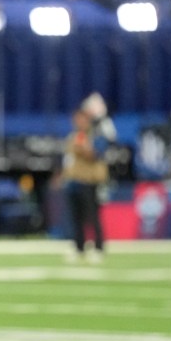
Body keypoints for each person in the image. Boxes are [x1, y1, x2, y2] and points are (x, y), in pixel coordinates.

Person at [64, 107, 108, 262]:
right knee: (76, 217)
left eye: (81, 119)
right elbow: (68, 158)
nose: (78, 122)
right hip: (73, 181)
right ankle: (79, 247)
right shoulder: (73, 136)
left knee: (93, 216)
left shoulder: (95, 136)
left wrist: (83, 149)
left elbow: (97, 156)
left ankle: (98, 247)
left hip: (89, 181)